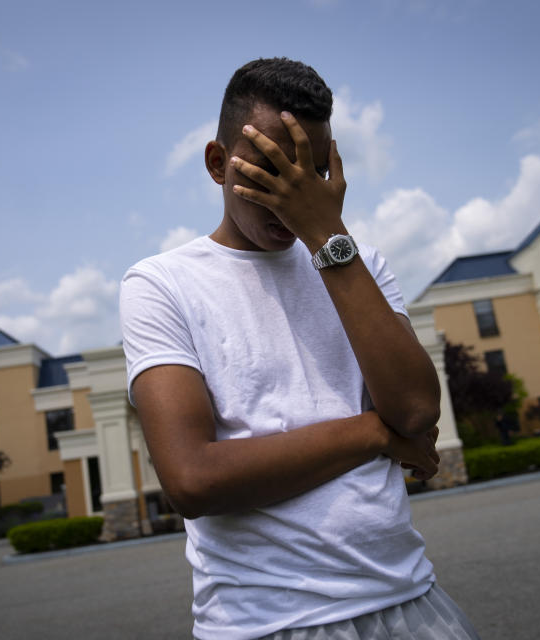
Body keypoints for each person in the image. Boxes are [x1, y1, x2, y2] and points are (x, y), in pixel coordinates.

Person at [120, 57, 480, 640]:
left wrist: (327, 237)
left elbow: (416, 409)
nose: (291, 195)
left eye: (309, 172)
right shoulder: (161, 285)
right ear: (218, 164)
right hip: (268, 623)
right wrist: (375, 434)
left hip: (411, 599)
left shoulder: (358, 265)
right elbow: (192, 479)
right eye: (271, 171)